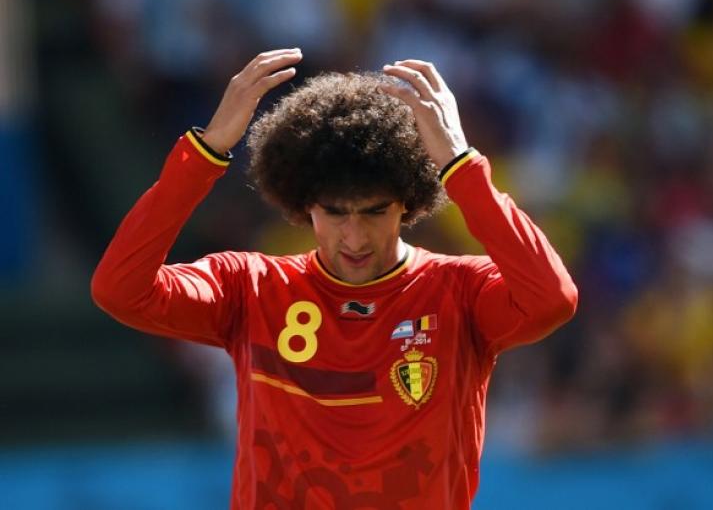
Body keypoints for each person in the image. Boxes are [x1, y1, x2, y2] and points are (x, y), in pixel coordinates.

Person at [91, 48, 578, 509]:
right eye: (335, 212)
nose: (355, 235)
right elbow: (121, 290)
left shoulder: (460, 291)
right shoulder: (248, 287)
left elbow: (551, 299)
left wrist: (460, 166)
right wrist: (207, 151)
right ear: (304, 205)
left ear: (408, 203)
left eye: (374, 211)